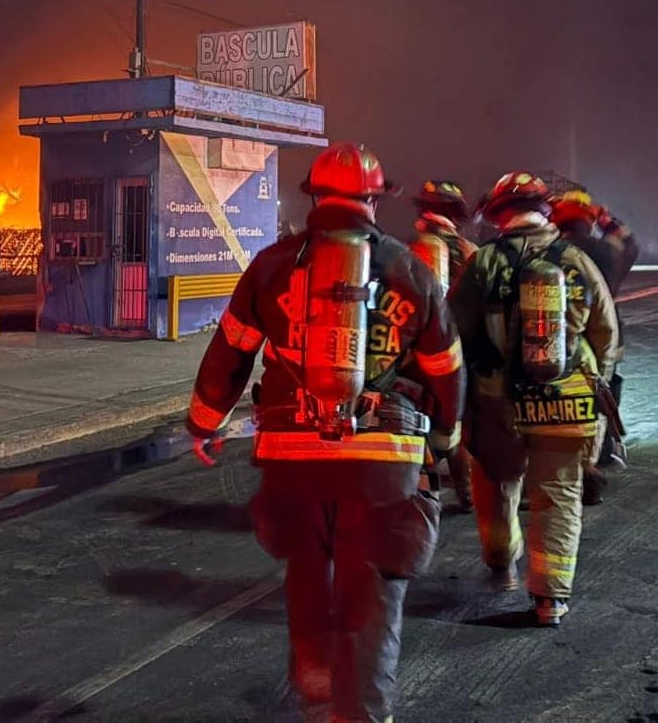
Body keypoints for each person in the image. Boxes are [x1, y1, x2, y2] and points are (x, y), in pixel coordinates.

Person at [185, 142, 465, 723]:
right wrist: (444, 439)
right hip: (383, 461)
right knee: (372, 595)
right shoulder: (410, 269)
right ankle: (360, 712)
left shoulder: (271, 266)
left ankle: (316, 689)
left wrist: (204, 424)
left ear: (314, 197)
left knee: (308, 575)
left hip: (292, 459)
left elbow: (231, 352)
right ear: (373, 200)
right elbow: (445, 369)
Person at [449, 171, 618, 625]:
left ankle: (502, 561)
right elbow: (606, 334)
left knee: (497, 482)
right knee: (558, 497)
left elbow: (454, 333)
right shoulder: (578, 261)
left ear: (498, 214)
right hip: (568, 401)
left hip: (498, 401)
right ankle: (550, 600)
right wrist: (595, 391)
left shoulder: (483, 262)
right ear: (545, 210)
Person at [549, 184, 639, 497]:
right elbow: (631, 245)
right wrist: (608, 220)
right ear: (588, 220)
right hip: (604, 331)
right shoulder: (607, 251)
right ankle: (602, 450)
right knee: (605, 388)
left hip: (562, 336)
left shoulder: (551, 251)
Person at [408, 180, 478, 512]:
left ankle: (424, 494)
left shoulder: (410, 252)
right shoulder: (471, 251)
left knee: (421, 419)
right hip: (463, 352)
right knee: (456, 419)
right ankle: (467, 490)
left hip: (418, 354)